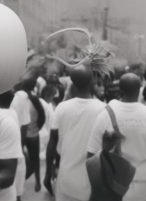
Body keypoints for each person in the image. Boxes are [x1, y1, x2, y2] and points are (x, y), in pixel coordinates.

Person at [87, 73, 146, 201]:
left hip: (116, 188)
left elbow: (91, 155)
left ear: (120, 90)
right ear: (140, 90)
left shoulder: (104, 115)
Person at [44, 64, 107, 201]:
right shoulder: (104, 109)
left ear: (72, 84)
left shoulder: (62, 107)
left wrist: (48, 173)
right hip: (92, 186)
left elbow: (52, 142)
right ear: (93, 83)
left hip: (65, 182)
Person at [19, 77, 46, 192]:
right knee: (35, 159)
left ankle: (21, 179)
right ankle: (38, 182)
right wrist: (37, 128)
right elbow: (42, 116)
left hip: (22, 133)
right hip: (33, 134)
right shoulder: (34, 98)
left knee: (21, 158)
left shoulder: (19, 98)